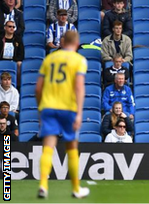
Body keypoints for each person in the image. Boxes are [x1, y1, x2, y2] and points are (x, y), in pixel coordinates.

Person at [35, 31, 89, 198]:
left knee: (48, 147)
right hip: (68, 108)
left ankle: (43, 185)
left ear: (63, 41)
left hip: (48, 107)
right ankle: (75, 188)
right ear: (77, 43)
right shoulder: (79, 60)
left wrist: (39, 110)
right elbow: (79, 87)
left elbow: (38, 88)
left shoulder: (49, 59)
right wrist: (79, 113)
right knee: (71, 148)